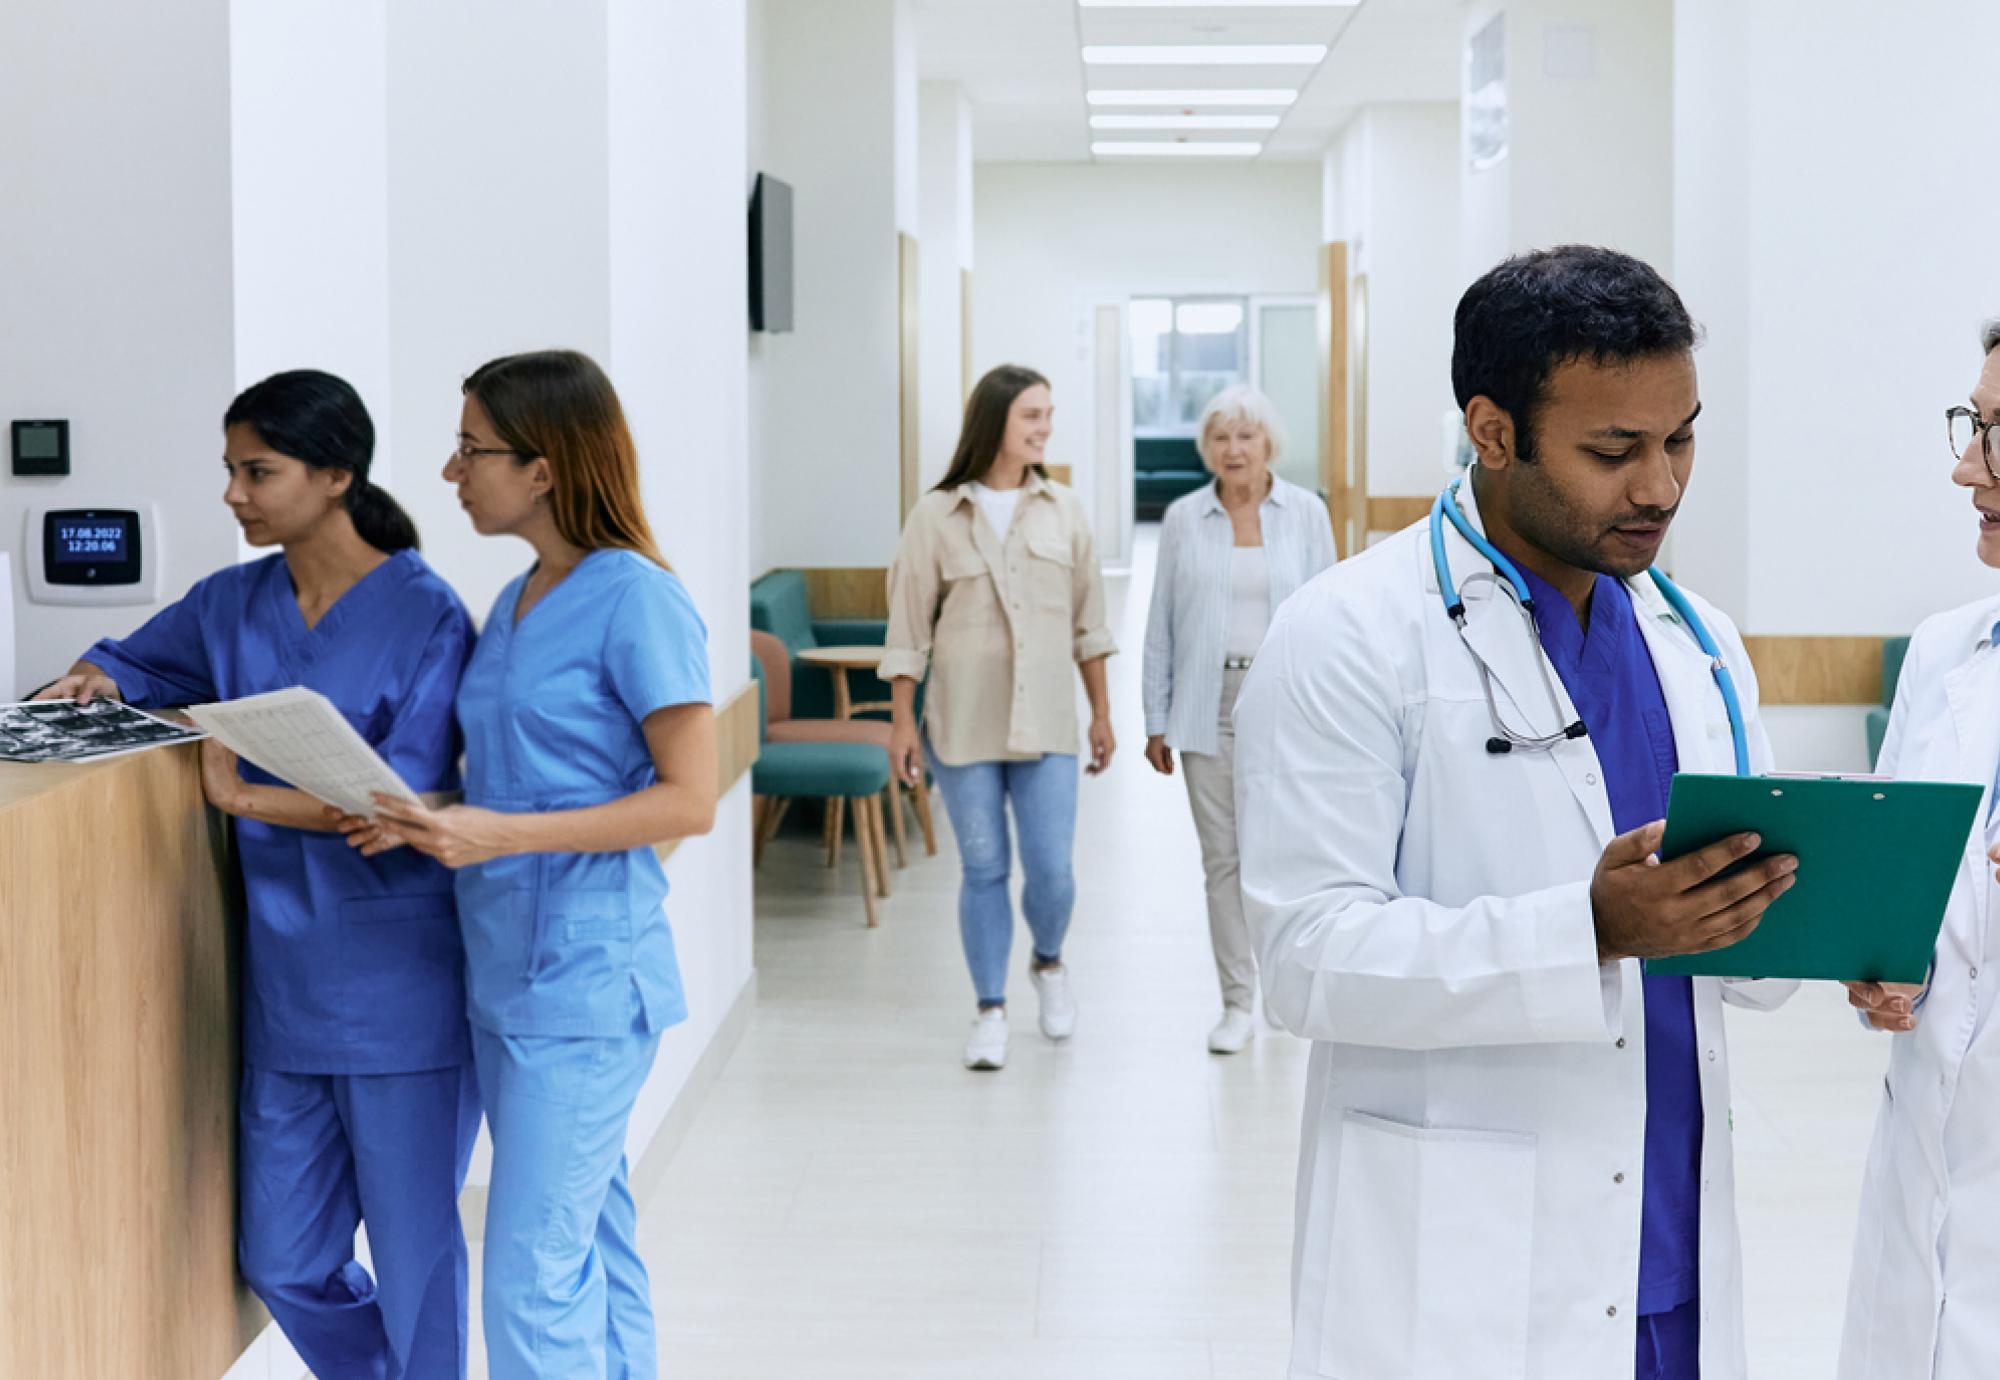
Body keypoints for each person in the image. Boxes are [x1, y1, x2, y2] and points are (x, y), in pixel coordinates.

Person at [1234, 246, 1800, 1379]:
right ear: (1490, 432)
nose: (1659, 487)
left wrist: (1846, 921)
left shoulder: (1695, 643)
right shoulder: (1346, 633)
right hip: (1463, 1253)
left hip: (1667, 1232)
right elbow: (1304, 957)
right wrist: (1586, 929)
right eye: (1612, 451)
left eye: (1679, 437)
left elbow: (1750, 959)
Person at [38, 370, 481, 1378]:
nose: (234, 494)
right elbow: (136, 663)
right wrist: (97, 677)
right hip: (285, 995)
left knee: (416, 1264)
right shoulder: (231, 604)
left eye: (257, 471)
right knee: (282, 1259)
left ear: (334, 476)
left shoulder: (425, 615)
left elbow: (401, 805)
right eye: (230, 471)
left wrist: (243, 800)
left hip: (402, 989)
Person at [343, 349, 716, 1378]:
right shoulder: (515, 602)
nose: (450, 471)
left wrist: (495, 835)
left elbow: (689, 798)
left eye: (472, 449)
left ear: (544, 467)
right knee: (589, 1239)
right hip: (502, 971)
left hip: (587, 985)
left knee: (527, 1276)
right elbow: (524, 782)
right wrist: (432, 815)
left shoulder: (635, 597)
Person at [1840, 317, 2000, 1379]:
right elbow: (1897, 890)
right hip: (1925, 1161)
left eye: (1995, 436)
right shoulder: (1945, 652)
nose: (1962, 468)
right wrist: (1877, 962)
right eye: (1971, 426)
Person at [881, 364, 1118, 1071]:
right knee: (983, 868)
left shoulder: (1065, 512)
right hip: (961, 725)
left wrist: (1101, 713)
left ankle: (1048, 961)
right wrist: (900, 723)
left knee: (1051, 872)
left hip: (1046, 722)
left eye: (1048, 414)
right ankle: (989, 1009)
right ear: (996, 423)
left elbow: (1090, 627)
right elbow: (907, 632)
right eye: (1032, 417)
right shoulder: (934, 516)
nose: (1045, 428)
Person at [1142, 384, 1335, 1054]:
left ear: (1268, 444)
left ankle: (1283, 994)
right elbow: (1160, 624)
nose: (1233, 449)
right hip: (1206, 707)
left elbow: (1330, 622)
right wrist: (1155, 717)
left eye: (1246, 436)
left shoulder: (1306, 513)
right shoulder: (1183, 519)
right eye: (1221, 438)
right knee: (1222, 861)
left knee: (1281, 859)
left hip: (1285, 708)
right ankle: (1235, 1003)